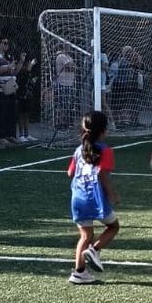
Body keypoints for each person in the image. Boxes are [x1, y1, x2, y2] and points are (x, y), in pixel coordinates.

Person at [66, 111, 121, 285]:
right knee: (113, 227)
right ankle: (95, 250)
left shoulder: (78, 150)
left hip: (78, 198)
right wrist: (112, 193)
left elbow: (70, 173)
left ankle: (79, 272)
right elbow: (103, 175)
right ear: (104, 130)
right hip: (95, 198)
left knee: (85, 235)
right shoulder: (105, 151)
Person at [0, 36, 20, 145]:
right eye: (4, 43)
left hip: (9, 88)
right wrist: (8, 67)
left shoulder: (9, 56)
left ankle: (10, 135)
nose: (6, 45)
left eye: (7, 43)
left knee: (10, 113)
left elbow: (13, 72)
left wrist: (20, 63)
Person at [14, 50, 39, 143]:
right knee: (21, 114)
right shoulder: (21, 71)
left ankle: (27, 134)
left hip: (28, 95)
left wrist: (33, 81)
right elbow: (22, 81)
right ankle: (21, 134)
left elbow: (31, 82)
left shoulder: (30, 72)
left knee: (27, 114)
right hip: (21, 95)